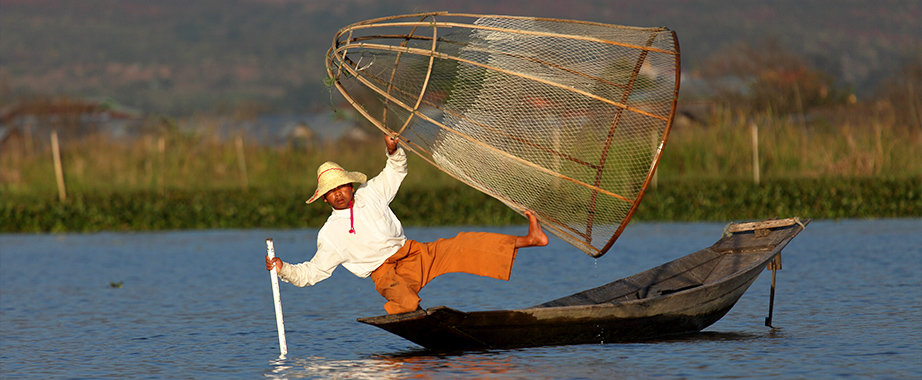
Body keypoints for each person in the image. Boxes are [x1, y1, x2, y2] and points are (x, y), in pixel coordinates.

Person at [266, 134, 548, 315]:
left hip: (414, 252)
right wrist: (283, 269)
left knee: (463, 243)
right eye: (332, 191)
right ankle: (415, 319)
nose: (339, 193)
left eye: (342, 187)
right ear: (325, 199)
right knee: (407, 303)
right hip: (385, 273)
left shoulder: (371, 193)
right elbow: (313, 271)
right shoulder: (330, 234)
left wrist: (393, 150)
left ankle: (530, 239)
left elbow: (396, 170)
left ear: (351, 187)